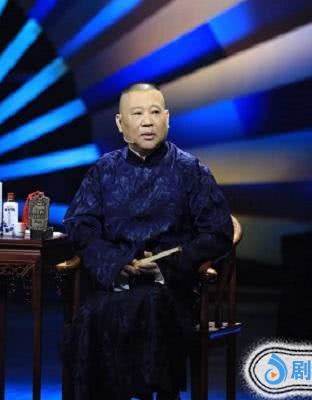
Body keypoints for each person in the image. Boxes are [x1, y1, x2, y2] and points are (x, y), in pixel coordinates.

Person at [62, 83, 233, 400]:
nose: (147, 122)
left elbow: (218, 232)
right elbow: (79, 226)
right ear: (120, 123)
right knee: (88, 315)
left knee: (151, 305)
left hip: (171, 289)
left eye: (155, 113)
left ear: (167, 118)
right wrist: (116, 263)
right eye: (137, 113)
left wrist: (166, 266)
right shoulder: (103, 170)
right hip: (116, 284)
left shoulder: (191, 170)